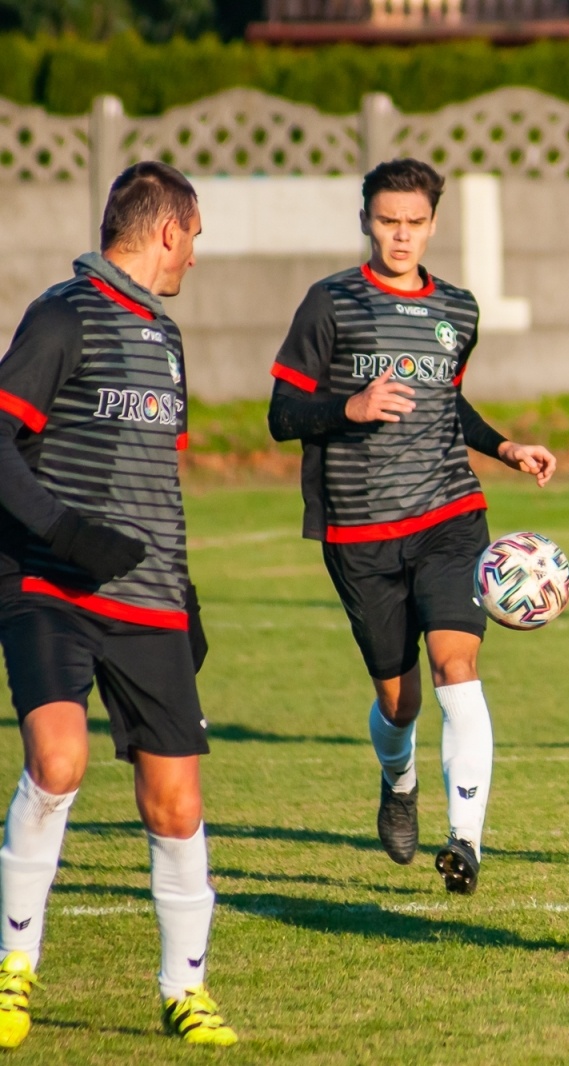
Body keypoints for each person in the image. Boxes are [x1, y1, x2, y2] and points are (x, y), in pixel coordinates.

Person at [267, 158, 556, 896]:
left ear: (433, 224)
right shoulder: (329, 303)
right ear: (366, 220)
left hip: (450, 515)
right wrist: (350, 408)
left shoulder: (457, 308)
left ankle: (466, 841)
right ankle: (399, 780)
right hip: (359, 530)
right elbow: (281, 415)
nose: (401, 235)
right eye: (388, 221)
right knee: (400, 703)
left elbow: (446, 403)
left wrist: (504, 448)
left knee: (457, 668)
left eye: (415, 222)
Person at [0, 162, 237, 1047]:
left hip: (149, 598)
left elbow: (157, 481)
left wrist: (186, 591)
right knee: (58, 761)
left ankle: (186, 991)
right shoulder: (62, 314)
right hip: (50, 585)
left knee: (176, 804)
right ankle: (12, 971)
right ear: (168, 230)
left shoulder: (166, 337)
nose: (194, 257)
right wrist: (63, 532)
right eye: (195, 237)